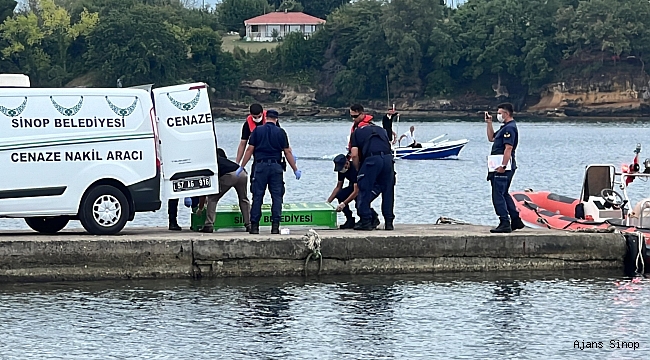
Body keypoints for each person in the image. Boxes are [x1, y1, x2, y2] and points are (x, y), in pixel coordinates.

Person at [237, 109, 301, 234]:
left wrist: (241, 166)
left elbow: (249, 150)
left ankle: (254, 226)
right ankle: (275, 226)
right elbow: (287, 152)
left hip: (260, 167)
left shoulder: (257, 131)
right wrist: (295, 169)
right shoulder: (281, 132)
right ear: (276, 119)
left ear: (266, 118)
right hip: (276, 167)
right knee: (277, 197)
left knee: (257, 196)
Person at [349, 104, 395, 231]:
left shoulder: (357, 133)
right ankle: (389, 222)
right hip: (387, 160)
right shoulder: (381, 130)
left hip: (371, 161)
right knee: (388, 191)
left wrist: (358, 169)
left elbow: (354, 154)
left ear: (362, 114)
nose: (353, 119)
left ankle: (366, 222)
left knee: (364, 190)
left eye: (354, 117)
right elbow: (389, 143)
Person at [485, 102, 525, 233]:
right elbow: (491, 138)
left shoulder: (510, 129)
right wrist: (489, 123)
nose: (498, 115)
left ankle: (504, 221)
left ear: (506, 114)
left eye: (500, 113)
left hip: (503, 167)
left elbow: (508, 148)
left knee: (498, 195)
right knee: (504, 193)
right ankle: (515, 220)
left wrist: (503, 165)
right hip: (499, 165)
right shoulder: (504, 127)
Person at [198, 148, 251, 233]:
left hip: (230, 175)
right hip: (242, 173)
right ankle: (249, 224)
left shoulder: (212, 163)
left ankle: (208, 225)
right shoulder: (226, 162)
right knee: (243, 198)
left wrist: (200, 208)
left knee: (212, 198)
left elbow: (205, 191)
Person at [327, 154, 379, 229]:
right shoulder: (341, 171)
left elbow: (356, 191)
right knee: (340, 195)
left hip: (368, 186)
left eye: (342, 168)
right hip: (355, 187)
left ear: (347, 163)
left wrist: (343, 204)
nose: (341, 170)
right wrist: (328, 202)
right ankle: (350, 220)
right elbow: (338, 187)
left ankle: (372, 218)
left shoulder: (355, 169)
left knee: (360, 201)